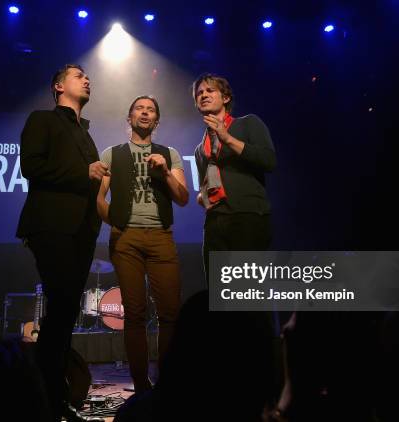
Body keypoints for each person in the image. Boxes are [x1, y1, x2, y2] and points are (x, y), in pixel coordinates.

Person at [16, 64, 107, 422]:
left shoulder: (86, 133)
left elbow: (90, 182)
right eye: (77, 75)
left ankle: (52, 397)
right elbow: (31, 167)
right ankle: (46, 399)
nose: (86, 79)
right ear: (58, 86)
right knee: (62, 306)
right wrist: (83, 173)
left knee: (65, 313)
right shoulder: (42, 119)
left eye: (88, 76)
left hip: (83, 230)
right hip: (50, 224)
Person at [97, 95, 188, 394]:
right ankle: (140, 386)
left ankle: (168, 383)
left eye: (151, 110)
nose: (145, 113)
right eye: (140, 108)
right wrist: (119, 224)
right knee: (134, 313)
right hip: (126, 239)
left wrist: (163, 171)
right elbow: (97, 199)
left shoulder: (170, 154)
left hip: (161, 236)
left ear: (157, 120)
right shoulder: (112, 154)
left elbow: (183, 197)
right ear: (130, 118)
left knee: (170, 313)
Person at [192, 73, 276, 284]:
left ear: (226, 98)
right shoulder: (200, 149)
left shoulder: (248, 123)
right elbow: (204, 184)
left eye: (210, 90)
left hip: (247, 216)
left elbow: (269, 161)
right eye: (199, 93)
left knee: (249, 294)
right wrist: (202, 196)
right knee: (219, 294)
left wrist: (227, 138)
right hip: (214, 223)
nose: (203, 95)